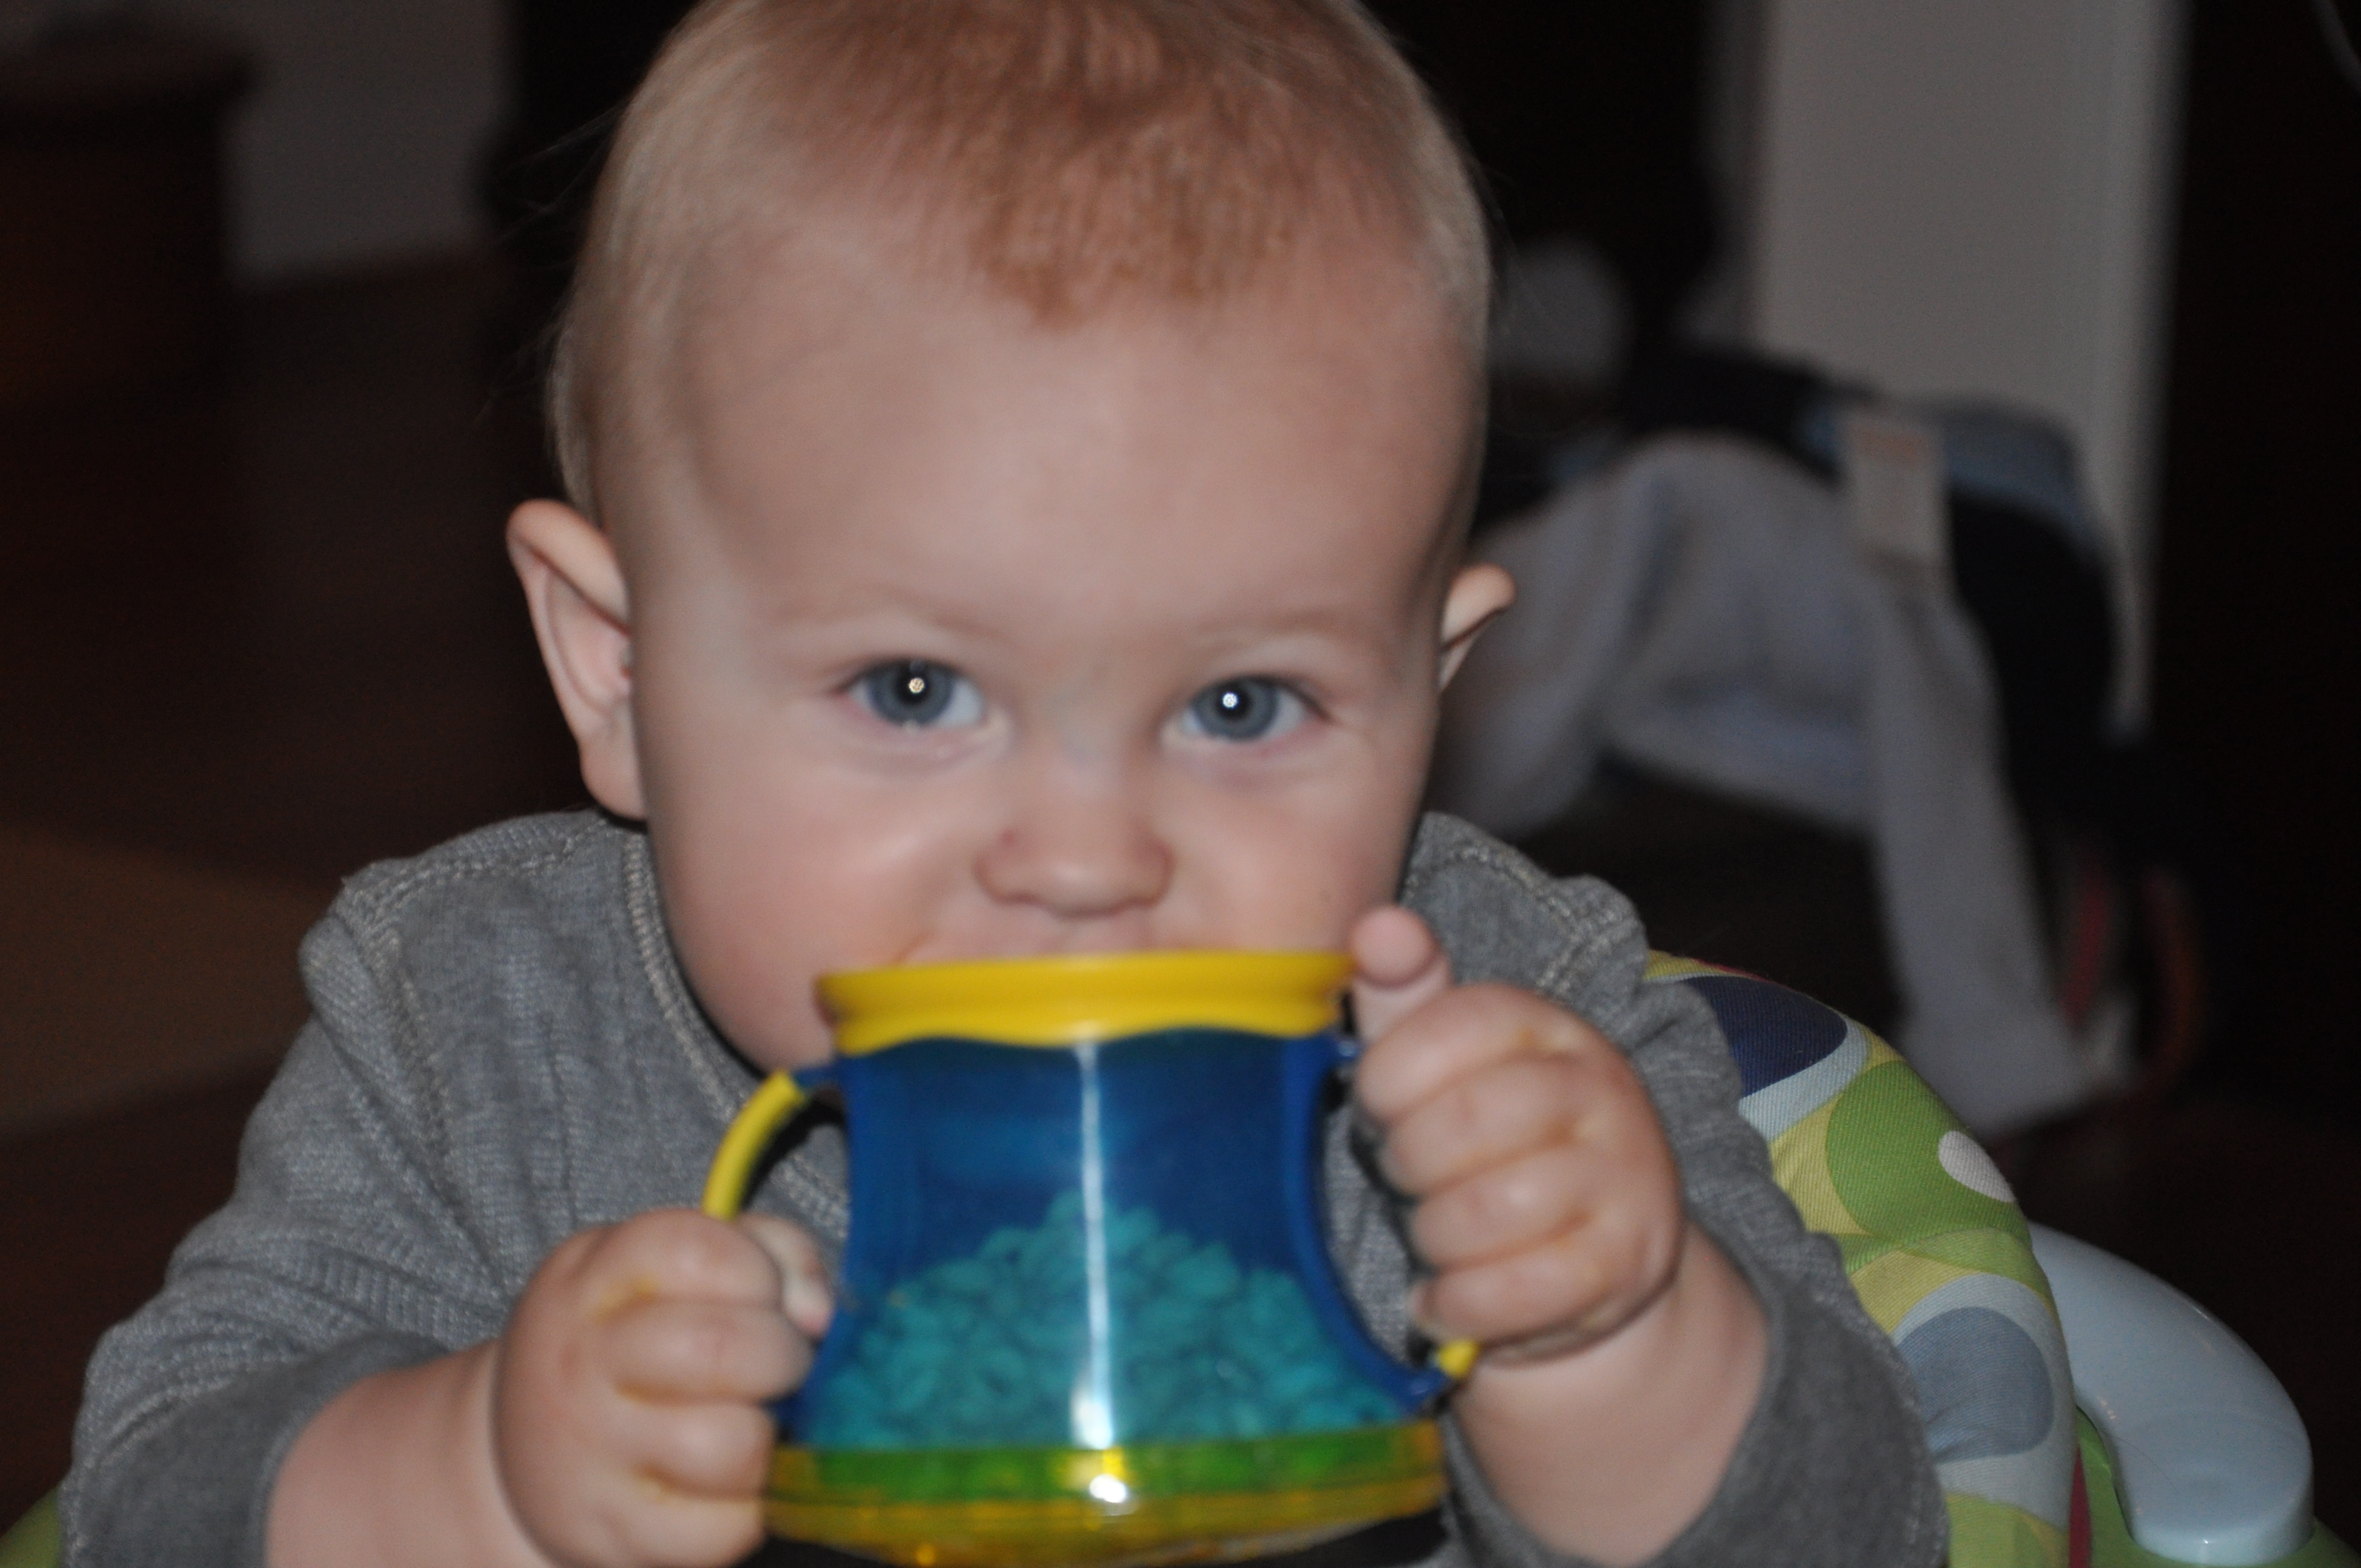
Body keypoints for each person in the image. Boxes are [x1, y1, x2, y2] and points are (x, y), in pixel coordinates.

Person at [62, 3, 1943, 1565]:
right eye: (915, 689)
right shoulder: (477, 1029)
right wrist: (475, 1472)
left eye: (1241, 706)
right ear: (616, 671)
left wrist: (1612, 1345)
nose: (1085, 859)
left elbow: (1867, 1533)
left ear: (1426, 695)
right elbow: (145, 1506)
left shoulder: (1513, 1048)